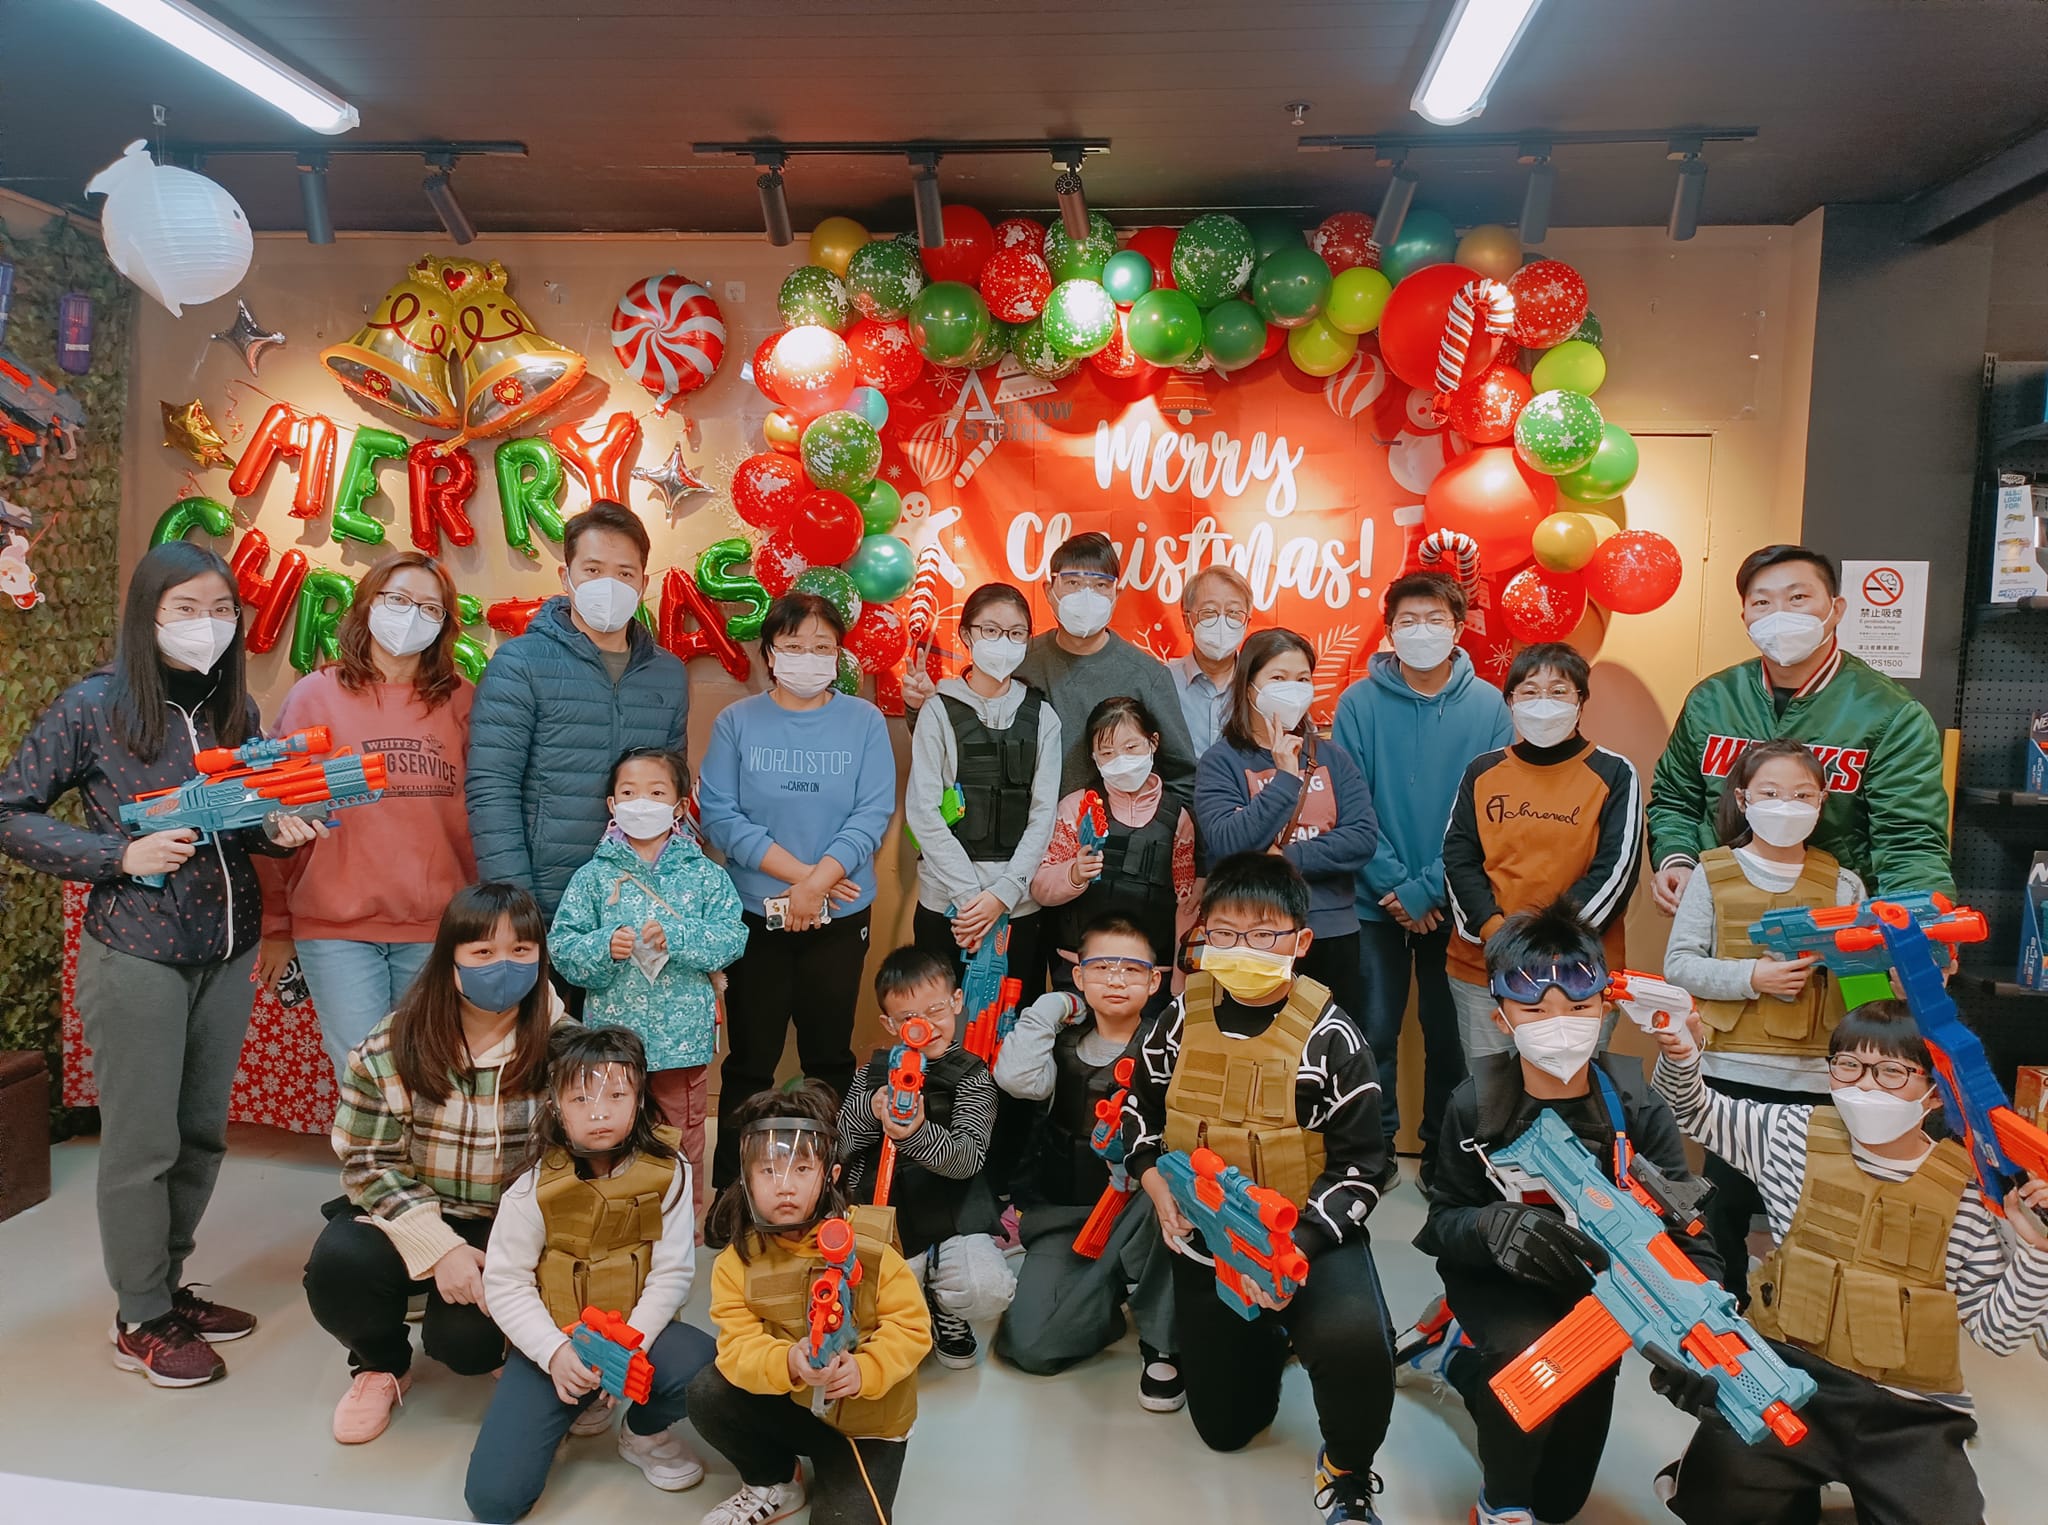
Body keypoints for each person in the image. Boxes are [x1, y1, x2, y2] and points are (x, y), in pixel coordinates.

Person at [0, 540, 324, 1387]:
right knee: (142, 1142)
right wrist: (117, 854)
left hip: (226, 947)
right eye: (186, 609)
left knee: (200, 1134)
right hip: (137, 947)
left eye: (221, 610)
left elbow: (246, 822)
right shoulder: (93, 705)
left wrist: (279, 829)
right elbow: (11, 810)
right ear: (147, 614)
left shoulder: (235, 708)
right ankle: (140, 1315)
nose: (206, 625)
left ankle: (166, 1286)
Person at [1648, 1000, 2048, 1524]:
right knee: (1718, 1501)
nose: (1865, 1085)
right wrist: (1681, 1053)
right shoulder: (1788, 1135)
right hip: (1781, 1380)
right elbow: (1691, 1108)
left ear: (1935, 1092)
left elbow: (1996, 1334)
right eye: (1849, 1065)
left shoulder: (1968, 1194)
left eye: (1891, 1072)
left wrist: (2038, 1253)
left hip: (1908, 1414)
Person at [1409, 902, 1718, 1525]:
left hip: (1599, 1296)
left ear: (1604, 1007)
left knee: (1560, 1502)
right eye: (1534, 1010)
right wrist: (1490, 1225)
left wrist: (1703, 1323)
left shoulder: (1636, 1106)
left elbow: (1689, 1229)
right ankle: (1499, 1505)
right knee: (1525, 1369)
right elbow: (1444, 1221)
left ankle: (1456, 1357)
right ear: (1501, 1018)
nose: (1559, 1024)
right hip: (1499, 1283)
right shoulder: (1475, 1104)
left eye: (1577, 1008)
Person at [1122, 853, 1395, 1524]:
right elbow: (1138, 1112)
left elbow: (1364, 1164)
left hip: (1308, 1239)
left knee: (1357, 1348)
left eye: (1265, 933)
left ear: (1300, 942)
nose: (1243, 948)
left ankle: (1347, 1467)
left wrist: (1295, 1246)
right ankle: (1273, 1342)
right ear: (1204, 936)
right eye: (1226, 932)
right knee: (1225, 1429)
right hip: (1208, 1241)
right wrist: (1154, 1181)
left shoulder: (1332, 1037)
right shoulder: (1179, 1019)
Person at [303, 882, 553, 1444]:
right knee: (340, 1267)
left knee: (466, 1344)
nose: (503, 966)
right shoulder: (392, 1043)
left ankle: (515, 1347)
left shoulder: (564, 1047)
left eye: (520, 950)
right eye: (482, 952)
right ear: (450, 960)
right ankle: (380, 1365)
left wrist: (514, 1250)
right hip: (416, 1210)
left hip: (511, 1223)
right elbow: (367, 1160)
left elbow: (576, 1168)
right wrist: (440, 1248)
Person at [464, 1024, 717, 1521]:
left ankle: (642, 1434)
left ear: (640, 1099)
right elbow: (506, 1284)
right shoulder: (531, 1185)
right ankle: (576, 1401)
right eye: (581, 1098)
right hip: (558, 1339)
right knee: (494, 1503)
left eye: (616, 1095)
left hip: (635, 1337)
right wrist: (555, 1354)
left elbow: (671, 1274)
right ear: (555, 1105)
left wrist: (628, 1349)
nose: (599, 1112)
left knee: (706, 1369)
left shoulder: (670, 1170)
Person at [255, 549, 477, 1083]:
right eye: (398, 599)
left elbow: (483, 814)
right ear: (368, 603)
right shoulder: (314, 696)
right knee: (365, 1081)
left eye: (430, 608)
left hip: (437, 928)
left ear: (445, 624)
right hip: (335, 929)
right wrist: (277, 925)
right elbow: (270, 818)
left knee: (430, 1077)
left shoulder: (462, 701)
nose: (411, 616)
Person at [697, 592, 895, 1190]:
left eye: (821, 647)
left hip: (840, 915)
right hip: (754, 915)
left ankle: (828, 1188)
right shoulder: (737, 722)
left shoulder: (863, 721)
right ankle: (733, 1195)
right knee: (749, 1061)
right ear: (770, 653)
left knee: (829, 1059)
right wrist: (805, 882)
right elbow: (721, 818)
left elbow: (872, 813)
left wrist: (819, 885)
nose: (807, 657)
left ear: (838, 656)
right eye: (793, 646)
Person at [1661, 736, 1865, 1300]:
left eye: (1801, 794)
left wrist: (1885, 975)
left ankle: (1800, 1315)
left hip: (1816, 1082)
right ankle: (1723, 1312)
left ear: (1822, 801)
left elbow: (1864, 990)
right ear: (1742, 798)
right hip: (1729, 1074)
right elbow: (1680, 966)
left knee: (1809, 1212)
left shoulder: (1843, 884)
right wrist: (1754, 977)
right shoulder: (1712, 874)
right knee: (1722, 1208)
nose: (1785, 805)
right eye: (1770, 793)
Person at [1647, 543, 1953, 916]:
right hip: (1723, 910)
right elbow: (1675, 799)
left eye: (1798, 598)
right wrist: (1676, 858)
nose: (1779, 615)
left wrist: (1919, 923)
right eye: (1762, 602)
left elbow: (1908, 839)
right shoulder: (1711, 701)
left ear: (1836, 609)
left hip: (1835, 919)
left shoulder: (1889, 714)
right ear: (1745, 616)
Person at [466, 501, 689, 1010]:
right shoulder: (520, 663)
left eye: (624, 573)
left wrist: (676, 899)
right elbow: (491, 787)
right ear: (566, 577)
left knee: (624, 1055)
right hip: (546, 906)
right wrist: (516, 906)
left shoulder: (668, 673)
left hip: (636, 914)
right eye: (593, 570)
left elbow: (672, 790)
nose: (609, 584)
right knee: (544, 1049)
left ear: (643, 583)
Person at [1334, 572, 1512, 1186]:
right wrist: (1396, 887)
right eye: (1408, 621)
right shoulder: (1357, 703)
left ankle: (1446, 1157)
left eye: (1435, 620)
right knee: (1371, 1033)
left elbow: (1490, 812)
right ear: (1389, 631)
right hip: (1371, 899)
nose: (1422, 631)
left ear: (1458, 628)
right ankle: (1373, 1154)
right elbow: (1348, 803)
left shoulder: (1490, 706)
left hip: (1453, 903)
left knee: (1450, 1037)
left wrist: (1427, 890)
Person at [687, 1081, 932, 1525]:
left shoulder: (870, 1248)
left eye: (802, 1169)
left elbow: (912, 1329)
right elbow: (737, 1349)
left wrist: (865, 1370)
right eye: (768, 1170)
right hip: (800, 1408)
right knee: (708, 1392)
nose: (785, 1186)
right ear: (745, 1178)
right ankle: (775, 1481)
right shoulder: (736, 1261)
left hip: (868, 1427)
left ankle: (843, 1467)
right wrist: (789, 1362)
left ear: (831, 1175)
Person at [992, 913, 1181, 1412]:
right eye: (1101, 967)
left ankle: (1161, 1341)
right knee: (1030, 1346)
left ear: (1154, 981)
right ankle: (1106, 1296)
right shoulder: (1059, 1044)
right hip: (1068, 1216)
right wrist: (1053, 1005)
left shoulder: (1171, 1047)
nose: (1116, 980)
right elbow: (1014, 1078)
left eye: (1132, 969)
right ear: (1078, 975)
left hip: (1146, 1217)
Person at [547, 746, 747, 1216]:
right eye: (629, 792)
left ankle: (682, 1225)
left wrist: (679, 936)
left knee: (679, 1137)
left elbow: (732, 938)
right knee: (608, 1133)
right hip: (612, 1043)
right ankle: (614, 1222)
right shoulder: (593, 877)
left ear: (679, 805)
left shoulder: (706, 876)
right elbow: (562, 947)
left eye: (656, 793)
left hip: (682, 1043)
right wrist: (603, 946)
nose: (642, 803)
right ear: (612, 804)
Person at [1444, 642, 1642, 1064]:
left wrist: (1546, 944)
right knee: (1489, 1093)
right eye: (1530, 691)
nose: (1543, 702)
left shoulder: (1614, 772)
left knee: (1575, 1091)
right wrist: (1497, 935)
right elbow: (1459, 858)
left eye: (1558, 691)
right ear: (1510, 701)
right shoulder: (1482, 771)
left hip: (1579, 975)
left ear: (1581, 701)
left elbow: (1616, 871)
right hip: (1484, 969)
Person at [836, 947, 1016, 1370]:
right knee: (872, 1302)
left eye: (935, 1010)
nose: (925, 1026)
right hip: (887, 1212)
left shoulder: (974, 1076)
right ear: (889, 1023)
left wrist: (915, 1133)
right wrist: (872, 1109)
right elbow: (840, 1144)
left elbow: (967, 1159)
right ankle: (912, 1312)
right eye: (908, 1018)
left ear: (956, 1001)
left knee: (986, 1288)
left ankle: (946, 1307)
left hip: (954, 1211)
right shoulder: (872, 1073)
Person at [1194, 628, 1378, 1029]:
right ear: (1249, 686)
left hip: (1331, 931)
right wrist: (1285, 778)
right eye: (1278, 678)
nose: (1292, 689)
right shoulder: (1221, 761)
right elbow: (1227, 842)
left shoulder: (1332, 757)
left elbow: (1362, 838)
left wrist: (1287, 857)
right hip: (1250, 939)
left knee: (1330, 1050)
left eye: (1302, 679)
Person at [903, 579, 1061, 996]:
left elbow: (1043, 815)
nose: (1003, 642)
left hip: (1018, 906)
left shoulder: (1043, 717)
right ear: (966, 635)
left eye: (1016, 633)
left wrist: (1002, 895)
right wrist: (970, 897)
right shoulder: (938, 709)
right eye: (990, 630)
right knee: (941, 1019)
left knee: (1011, 1022)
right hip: (946, 904)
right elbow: (923, 812)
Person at [1032, 694, 1196, 1021]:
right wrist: (1074, 874)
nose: (1120, 760)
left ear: (1153, 743)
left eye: (1131, 747)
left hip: (1151, 976)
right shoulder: (1077, 808)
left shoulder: (1178, 818)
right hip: (1081, 972)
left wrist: (1180, 977)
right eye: (1107, 753)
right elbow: (1040, 888)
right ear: (1093, 757)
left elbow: (1187, 903)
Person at [1014, 531, 1197, 805]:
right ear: (1049, 591)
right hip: (1031, 827)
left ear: (1116, 593)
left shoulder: (1147, 675)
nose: (1086, 596)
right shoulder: (1021, 661)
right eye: (1073, 583)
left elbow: (1183, 777)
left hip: (1121, 829)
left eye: (1100, 585)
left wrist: (1156, 825)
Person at [1168, 563, 1254, 759]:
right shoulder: (1162, 682)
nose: (1222, 621)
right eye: (1209, 612)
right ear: (1187, 622)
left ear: (1246, 623)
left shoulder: (1261, 683)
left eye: (1233, 613)